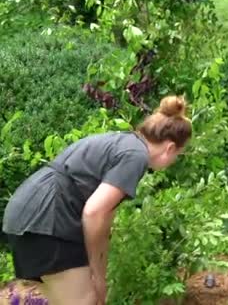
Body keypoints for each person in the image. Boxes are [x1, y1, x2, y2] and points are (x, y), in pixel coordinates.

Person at [2, 95, 192, 305]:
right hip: (48, 218)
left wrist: (99, 271)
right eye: (178, 155)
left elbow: (104, 217)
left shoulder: (123, 142)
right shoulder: (136, 155)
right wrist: (98, 276)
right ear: (170, 148)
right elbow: (94, 212)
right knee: (86, 300)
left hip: (30, 211)